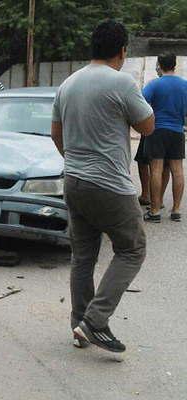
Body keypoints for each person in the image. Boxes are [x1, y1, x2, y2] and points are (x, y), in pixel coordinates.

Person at [51, 20, 154, 353]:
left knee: (83, 257)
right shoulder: (122, 82)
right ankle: (94, 322)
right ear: (122, 50)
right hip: (110, 185)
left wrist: (77, 161)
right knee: (132, 248)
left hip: (74, 181)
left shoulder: (68, 84)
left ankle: (79, 324)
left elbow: (56, 133)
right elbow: (148, 126)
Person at [142, 53, 187, 223]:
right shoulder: (185, 85)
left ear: (160, 64)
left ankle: (155, 211)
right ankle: (176, 210)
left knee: (156, 170)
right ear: (174, 65)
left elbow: (141, 102)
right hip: (177, 130)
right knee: (178, 170)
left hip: (158, 130)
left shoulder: (154, 84)